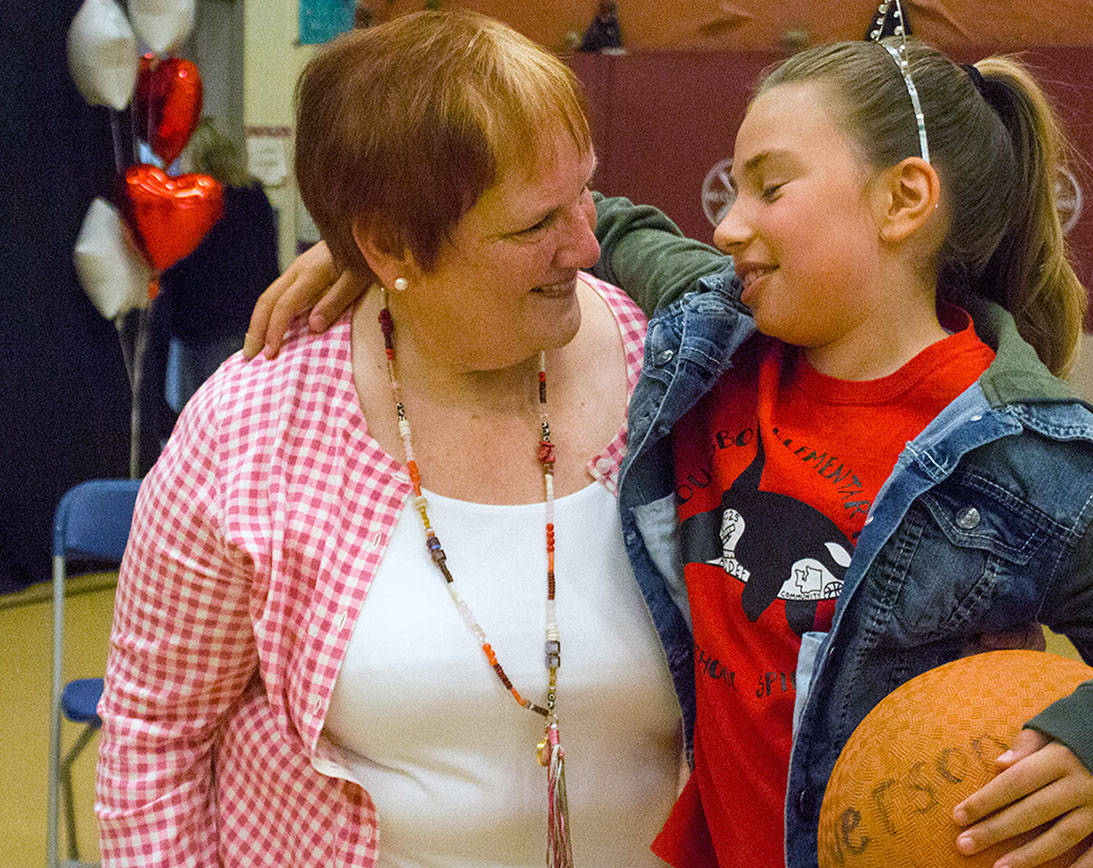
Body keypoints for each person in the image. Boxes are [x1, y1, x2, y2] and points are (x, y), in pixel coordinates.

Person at [245, 34, 1093, 868]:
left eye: (769, 187)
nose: (730, 224)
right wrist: (387, 257)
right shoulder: (716, 329)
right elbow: (551, 220)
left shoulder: (1033, 459)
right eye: (729, 189)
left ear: (904, 200)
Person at [95, 11, 684, 867]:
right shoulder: (256, 428)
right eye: (534, 225)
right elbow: (155, 733)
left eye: (584, 193)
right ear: (388, 242)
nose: (588, 244)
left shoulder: (667, 376)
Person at [157, 119, 280, 408]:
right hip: (252, 323)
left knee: (204, 414)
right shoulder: (254, 195)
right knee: (246, 411)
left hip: (202, 328)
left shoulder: (194, 202)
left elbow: (182, 270)